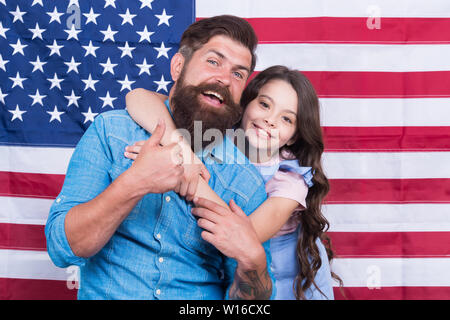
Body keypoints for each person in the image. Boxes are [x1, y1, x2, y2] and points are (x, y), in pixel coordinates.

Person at [45, 15, 275, 300]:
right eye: (214, 62)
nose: (224, 79)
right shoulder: (111, 132)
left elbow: (252, 302)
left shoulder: (244, 181)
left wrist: (254, 263)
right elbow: (62, 248)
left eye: (238, 74)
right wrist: (135, 182)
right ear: (179, 66)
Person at [125, 66, 343, 300]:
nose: (270, 120)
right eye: (264, 105)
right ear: (245, 104)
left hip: (282, 280)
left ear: (295, 135)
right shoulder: (220, 137)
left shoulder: (291, 178)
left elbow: (245, 235)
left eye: (286, 119)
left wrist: (177, 169)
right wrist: (179, 148)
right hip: (222, 272)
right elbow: (137, 97)